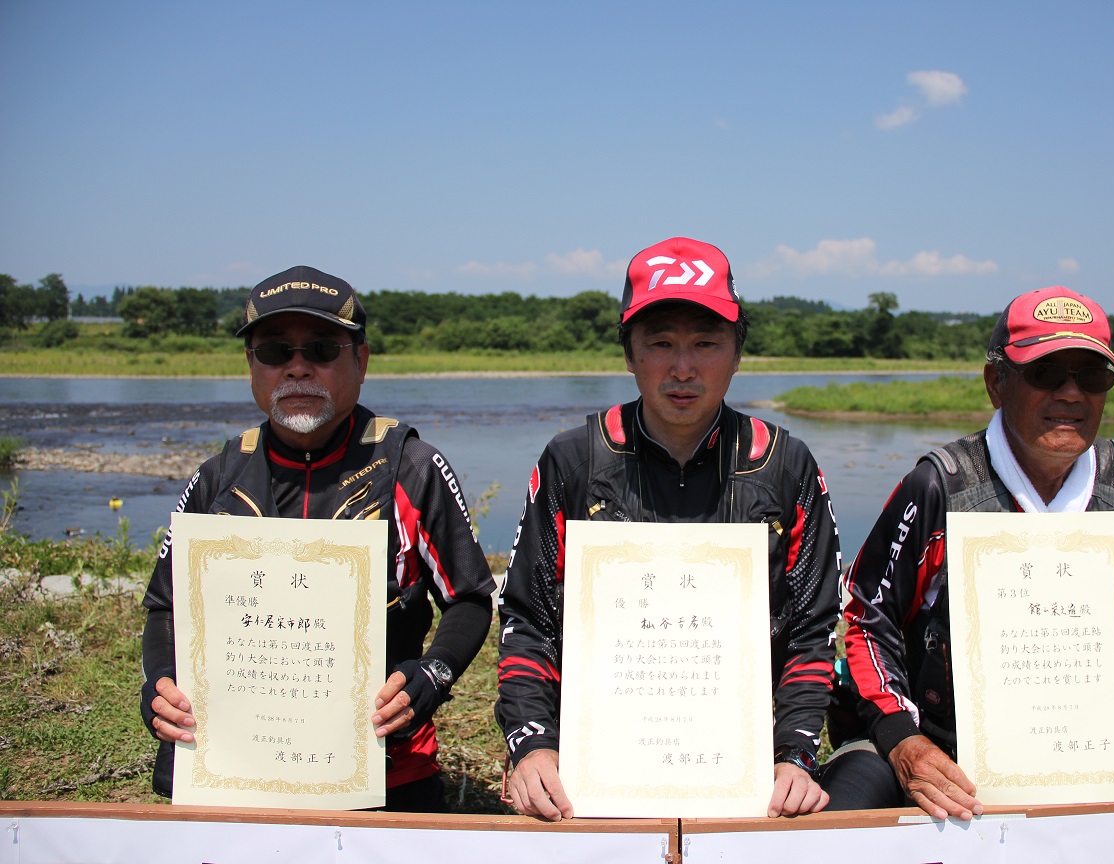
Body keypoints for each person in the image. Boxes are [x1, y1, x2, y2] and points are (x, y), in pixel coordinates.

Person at [821, 285, 1114, 818]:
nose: (1071, 394)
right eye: (1046, 373)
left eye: (1092, 377)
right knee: (845, 808)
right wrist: (903, 739)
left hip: (1101, 747)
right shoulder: (940, 487)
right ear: (996, 383)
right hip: (940, 744)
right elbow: (867, 619)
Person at [494, 237, 842, 820]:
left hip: (744, 767)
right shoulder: (574, 461)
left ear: (737, 354)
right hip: (591, 767)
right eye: (660, 344)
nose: (683, 368)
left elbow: (813, 627)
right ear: (629, 354)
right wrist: (532, 745)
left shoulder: (784, 464)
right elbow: (527, 618)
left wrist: (796, 755)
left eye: (706, 343)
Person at [139, 265, 496, 812]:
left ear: (361, 361)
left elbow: (469, 598)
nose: (298, 367)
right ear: (251, 365)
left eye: (323, 349)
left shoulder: (411, 468)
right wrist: (161, 684)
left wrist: (433, 674)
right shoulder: (218, 477)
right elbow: (165, 607)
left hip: (386, 766)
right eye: (275, 351)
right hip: (232, 767)